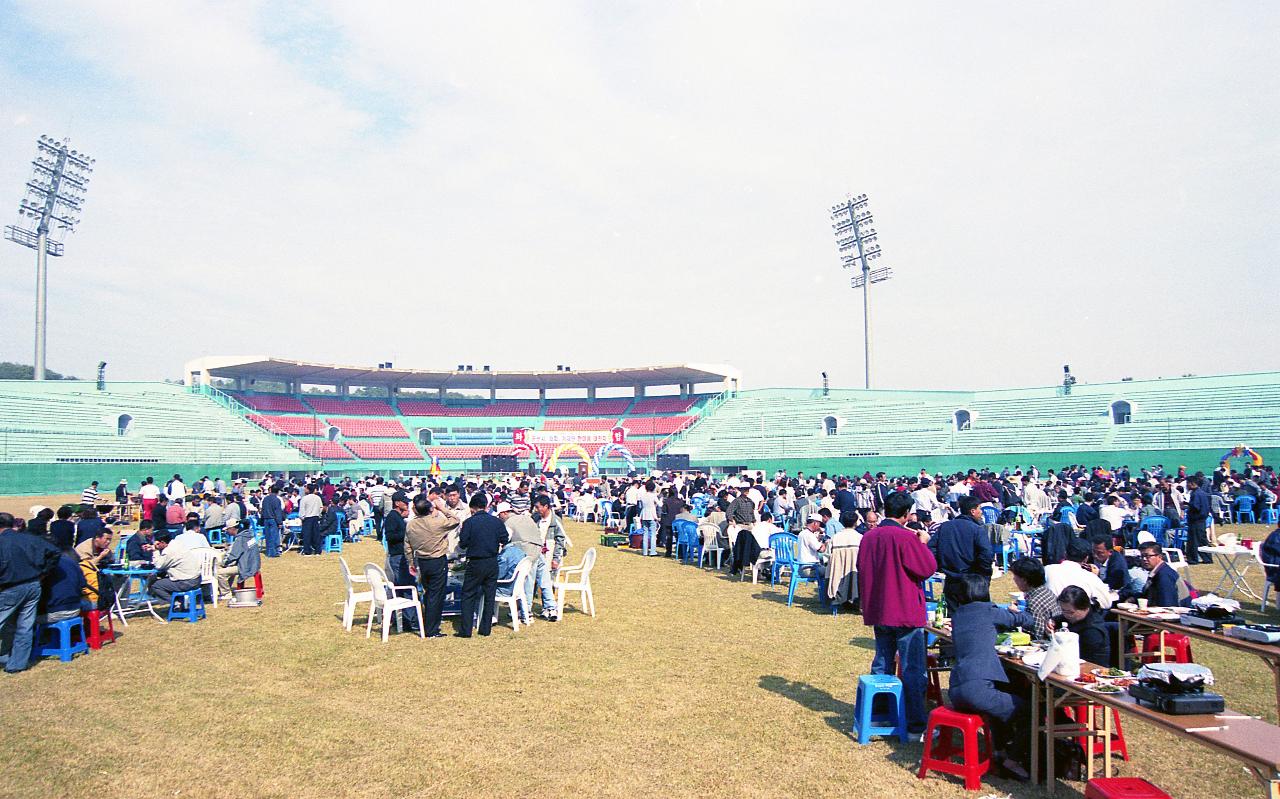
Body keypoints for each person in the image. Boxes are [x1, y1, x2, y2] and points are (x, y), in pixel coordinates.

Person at [856, 491, 938, 734]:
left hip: (880, 608)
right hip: (904, 610)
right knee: (913, 669)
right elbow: (926, 568)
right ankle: (915, 723)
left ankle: (881, 714)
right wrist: (923, 543)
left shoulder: (869, 537)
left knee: (882, 663)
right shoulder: (906, 538)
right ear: (905, 514)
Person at [946, 573, 1035, 780]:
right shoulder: (987, 611)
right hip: (976, 690)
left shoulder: (958, 614)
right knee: (1029, 711)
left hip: (956, 687)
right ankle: (1012, 761)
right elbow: (1022, 620)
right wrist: (1020, 611)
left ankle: (1000, 751)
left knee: (999, 702)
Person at [0, 514, 61, 673]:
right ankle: (17, 664)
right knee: (24, 626)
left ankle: (6, 656)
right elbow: (55, 552)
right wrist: (43, 573)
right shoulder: (28, 538)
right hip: (33, 585)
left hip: (9, 587)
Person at [404, 493, 460, 638]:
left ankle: (428, 622)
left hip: (422, 561)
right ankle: (432, 628)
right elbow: (455, 520)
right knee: (436, 594)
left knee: (428, 593)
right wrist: (442, 508)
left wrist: (411, 562)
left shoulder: (411, 524)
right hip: (437, 560)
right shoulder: (437, 523)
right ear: (430, 509)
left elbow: (407, 546)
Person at [928, 496, 994, 610]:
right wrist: (983, 573)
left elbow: (931, 548)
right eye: (979, 509)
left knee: (954, 615)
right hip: (972, 579)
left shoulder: (945, 526)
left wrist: (940, 565)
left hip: (951, 578)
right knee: (975, 613)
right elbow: (987, 553)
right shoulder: (977, 529)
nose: (981, 512)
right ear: (973, 511)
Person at [457, 493, 508, 637]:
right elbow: (505, 539)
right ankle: (485, 629)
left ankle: (466, 630)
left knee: (468, 595)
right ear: (486, 506)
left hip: (475, 561)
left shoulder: (469, 523)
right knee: (489, 595)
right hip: (492, 561)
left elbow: (463, 543)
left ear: (472, 508)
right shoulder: (496, 522)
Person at [499, 502, 559, 620]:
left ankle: (526, 610)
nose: (499, 518)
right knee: (544, 580)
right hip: (539, 550)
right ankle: (551, 608)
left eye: (499, 515)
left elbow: (506, 538)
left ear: (504, 513)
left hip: (527, 552)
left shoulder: (508, 523)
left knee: (527, 581)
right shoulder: (527, 518)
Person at [1044, 538, 1114, 610]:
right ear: (1086, 559)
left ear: (1065, 554)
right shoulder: (1090, 578)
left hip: (1049, 614)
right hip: (1074, 618)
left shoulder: (1047, 569)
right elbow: (1107, 603)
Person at [1051, 585, 1111, 666]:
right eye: (1063, 610)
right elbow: (1061, 618)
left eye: (1070, 612)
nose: (1066, 615)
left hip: (1088, 667)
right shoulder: (1074, 617)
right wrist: (1052, 621)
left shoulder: (1092, 631)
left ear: (1085, 608)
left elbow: (1078, 658)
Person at [147, 530, 204, 606]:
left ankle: (176, 603)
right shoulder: (177, 543)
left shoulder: (169, 551)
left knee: (155, 585)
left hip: (187, 582)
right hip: (196, 578)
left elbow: (159, 565)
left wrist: (155, 551)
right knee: (164, 580)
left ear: (163, 542)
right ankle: (180, 601)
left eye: (157, 543)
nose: (156, 545)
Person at [1008, 557, 1056, 637]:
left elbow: (1037, 635)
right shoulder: (1047, 591)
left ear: (1024, 580)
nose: (1014, 579)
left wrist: (1016, 616)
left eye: (1015, 576)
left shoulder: (1034, 602)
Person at [1137, 542, 1191, 607]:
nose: (1144, 559)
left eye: (1147, 556)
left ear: (1160, 556)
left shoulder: (1164, 576)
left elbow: (1167, 606)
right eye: (1142, 556)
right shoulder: (1158, 571)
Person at [216, 521, 261, 596]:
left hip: (245, 566)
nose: (227, 532)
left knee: (219, 572)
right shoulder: (248, 535)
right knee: (228, 568)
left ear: (232, 528)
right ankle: (226, 588)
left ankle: (225, 593)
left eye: (227, 530)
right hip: (254, 563)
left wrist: (224, 563)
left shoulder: (240, 539)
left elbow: (233, 556)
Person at [1185, 476, 1212, 564]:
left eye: (1188, 483)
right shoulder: (1202, 493)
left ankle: (1193, 559)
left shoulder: (1195, 494)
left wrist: (1187, 505)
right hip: (1202, 520)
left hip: (1196, 520)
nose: (1186, 485)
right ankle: (1207, 558)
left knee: (1193, 541)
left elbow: (1196, 507)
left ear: (1192, 483)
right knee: (1202, 540)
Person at [298, 484, 323, 556]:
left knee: (307, 535)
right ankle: (317, 551)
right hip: (315, 517)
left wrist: (302, 517)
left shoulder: (304, 498)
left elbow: (302, 509)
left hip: (307, 518)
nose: (304, 490)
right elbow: (321, 507)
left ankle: (307, 551)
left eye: (305, 488)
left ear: (308, 490)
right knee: (316, 535)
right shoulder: (317, 498)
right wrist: (318, 514)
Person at [637, 479, 660, 556]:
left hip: (644, 515)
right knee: (653, 534)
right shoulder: (653, 495)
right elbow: (660, 504)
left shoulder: (643, 495)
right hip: (652, 516)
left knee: (645, 534)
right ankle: (653, 551)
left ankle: (645, 552)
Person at [260, 484, 284, 557]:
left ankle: (268, 551)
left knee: (268, 536)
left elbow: (262, 509)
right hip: (273, 519)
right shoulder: (277, 500)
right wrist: (279, 522)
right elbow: (278, 512)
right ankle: (273, 552)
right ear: (277, 491)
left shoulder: (265, 499)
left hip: (266, 519)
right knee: (274, 536)